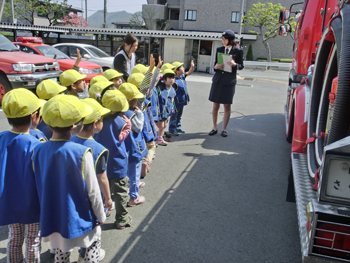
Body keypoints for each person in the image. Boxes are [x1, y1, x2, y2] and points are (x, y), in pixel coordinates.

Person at [32, 95, 106, 263]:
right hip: (80, 217)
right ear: (76, 126)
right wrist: (101, 215)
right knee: (93, 244)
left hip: (53, 214)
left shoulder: (38, 150)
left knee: (61, 251)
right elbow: (93, 191)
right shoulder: (82, 153)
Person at [0, 88, 43, 263]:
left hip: (9, 198)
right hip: (31, 200)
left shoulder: (2, 138)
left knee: (14, 237)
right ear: (34, 116)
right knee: (33, 239)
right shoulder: (36, 144)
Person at [70, 98, 112, 262]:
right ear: (95, 124)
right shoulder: (99, 149)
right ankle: (88, 257)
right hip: (91, 197)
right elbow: (102, 178)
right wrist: (108, 198)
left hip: (73, 193)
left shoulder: (70, 140)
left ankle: (80, 254)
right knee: (94, 231)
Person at [93, 89, 132, 230]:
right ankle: (121, 219)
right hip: (117, 161)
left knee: (103, 190)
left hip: (102, 161)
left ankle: (101, 214)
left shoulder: (98, 120)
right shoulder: (121, 121)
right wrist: (128, 126)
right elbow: (120, 139)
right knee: (121, 191)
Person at [208, 30, 244, 137]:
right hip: (218, 80)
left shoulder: (238, 51)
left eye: (225, 39)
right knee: (215, 105)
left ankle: (224, 129)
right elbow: (215, 64)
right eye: (222, 39)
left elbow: (242, 66)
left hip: (229, 81)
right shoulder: (219, 49)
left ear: (230, 40)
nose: (223, 41)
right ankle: (214, 128)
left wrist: (235, 64)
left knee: (227, 106)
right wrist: (216, 66)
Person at [119, 83, 148, 207]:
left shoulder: (117, 112)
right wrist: (140, 114)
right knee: (135, 173)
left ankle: (125, 190)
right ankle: (134, 198)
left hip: (122, 148)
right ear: (131, 100)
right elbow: (138, 128)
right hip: (134, 147)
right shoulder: (132, 113)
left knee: (124, 172)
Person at [168, 60, 194, 136]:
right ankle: (172, 130)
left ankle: (178, 127)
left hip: (182, 100)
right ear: (176, 70)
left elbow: (189, 73)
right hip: (176, 102)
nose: (183, 68)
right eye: (181, 67)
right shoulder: (174, 81)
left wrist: (192, 66)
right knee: (174, 116)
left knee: (179, 115)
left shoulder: (182, 76)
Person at [155, 69, 176, 146]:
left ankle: (160, 137)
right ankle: (159, 138)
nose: (171, 80)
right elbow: (155, 99)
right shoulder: (159, 89)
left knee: (164, 125)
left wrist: (172, 107)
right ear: (164, 79)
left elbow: (172, 100)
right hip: (159, 111)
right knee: (161, 126)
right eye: (169, 78)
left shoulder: (172, 89)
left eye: (173, 78)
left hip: (166, 111)